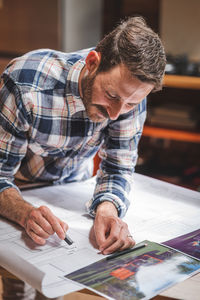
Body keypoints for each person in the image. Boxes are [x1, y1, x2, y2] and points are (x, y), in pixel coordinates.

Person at [0, 17, 166, 299]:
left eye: (130, 104)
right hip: (18, 189)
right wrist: (23, 212)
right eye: (111, 95)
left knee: (53, 286)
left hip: (73, 189)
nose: (116, 113)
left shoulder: (131, 93)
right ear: (92, 63)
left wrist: (107, 208)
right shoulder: (25, 86)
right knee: (19, 283)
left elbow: (117, 167)